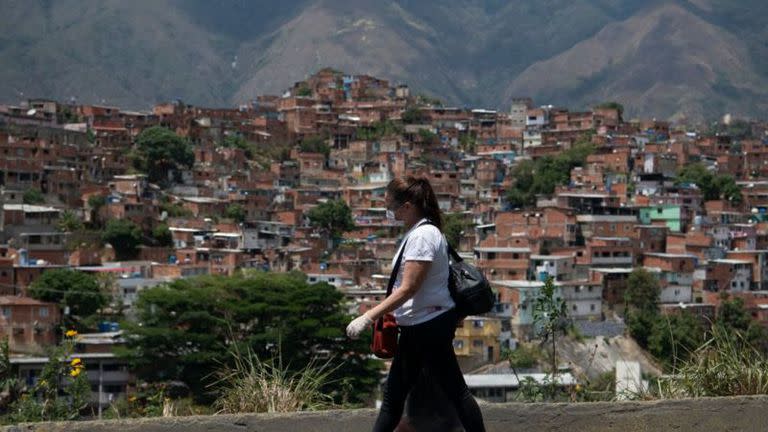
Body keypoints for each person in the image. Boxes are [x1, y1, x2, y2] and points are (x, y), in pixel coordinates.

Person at [346, 176, 486, 432]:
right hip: (425, 323)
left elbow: (410, 287)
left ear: (408, 206)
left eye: (391, 207)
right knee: (442, 392)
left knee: (398, 398)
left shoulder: (422, 236)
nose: (390, 213)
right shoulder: (423, 232)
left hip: (426, 324)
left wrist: (368, 317)